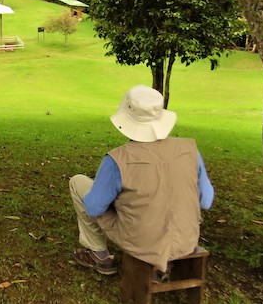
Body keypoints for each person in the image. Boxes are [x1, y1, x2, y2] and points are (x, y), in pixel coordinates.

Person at [69, 85, 214, 276]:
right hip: (186, 239)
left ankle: (99, 255)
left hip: (141, 242)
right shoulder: (190, 150)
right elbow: (206, 201)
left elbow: (94, 207)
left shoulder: (117, 160)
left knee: (79, 183)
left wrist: (116, 199)